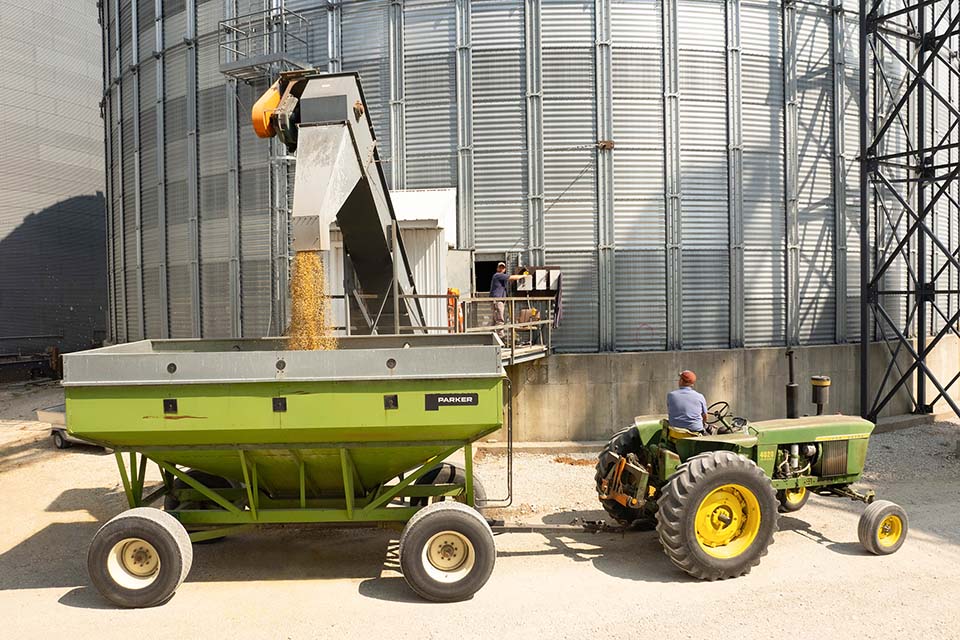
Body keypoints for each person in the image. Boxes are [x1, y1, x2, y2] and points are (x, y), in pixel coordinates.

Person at [489, 262, 523, 337]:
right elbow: (512, 278)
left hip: (498, 300)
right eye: (500, 267)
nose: (501, 269)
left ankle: (492, 335)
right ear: (497, 268)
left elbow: (510, 279)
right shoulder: (497, 275)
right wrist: (524, 276)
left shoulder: (501, 277)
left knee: (495, 319)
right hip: (497, 301)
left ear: (504, 269)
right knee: (499, 319)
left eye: (503, 268)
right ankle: (501, 336)